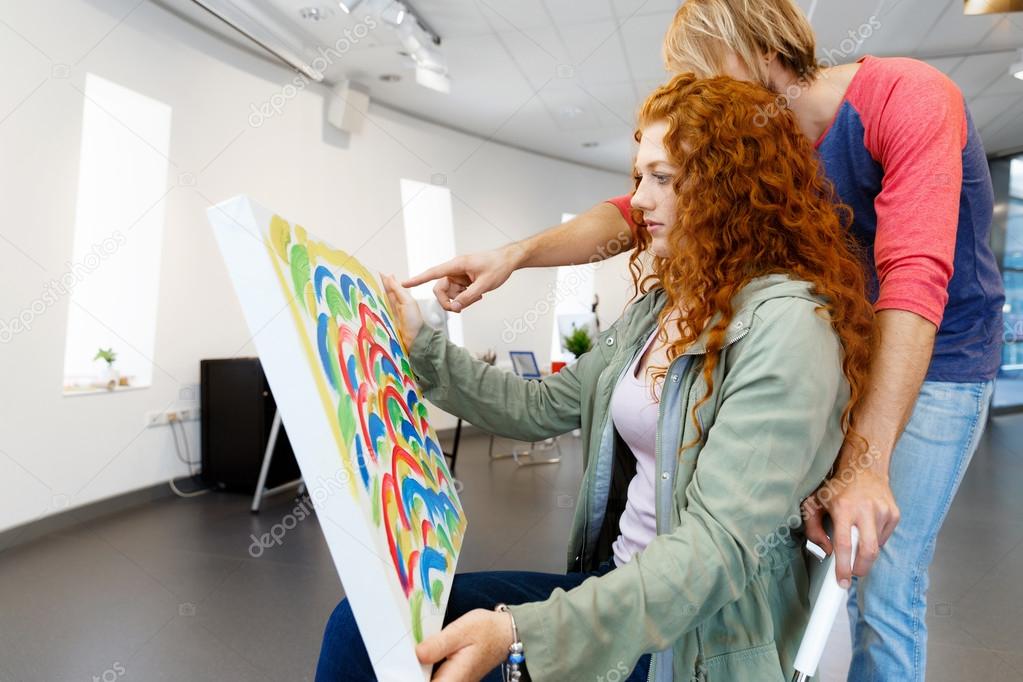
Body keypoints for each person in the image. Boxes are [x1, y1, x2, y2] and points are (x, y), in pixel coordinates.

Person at [404, 2, 1005, 679]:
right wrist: (513, 255)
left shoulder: (908, 97)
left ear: (755, 50)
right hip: (844, 338)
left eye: (701, 70)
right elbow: (636, 211)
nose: (698, 92)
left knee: (881, 581)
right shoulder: (756, 151)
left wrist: (863, 462)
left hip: (938, 349)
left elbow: (913, 282)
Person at [316, 73, 876, 682]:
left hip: (692, 646)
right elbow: (536, 406)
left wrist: (520, 633)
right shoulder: (662, 308)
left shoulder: (790, 327)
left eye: (662, 178)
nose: (637, 201)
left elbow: (714, 555)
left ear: (731, 187)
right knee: (365, 627)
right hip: (616, 590)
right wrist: (421, 343)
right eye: (640, 177)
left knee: (396, 646)